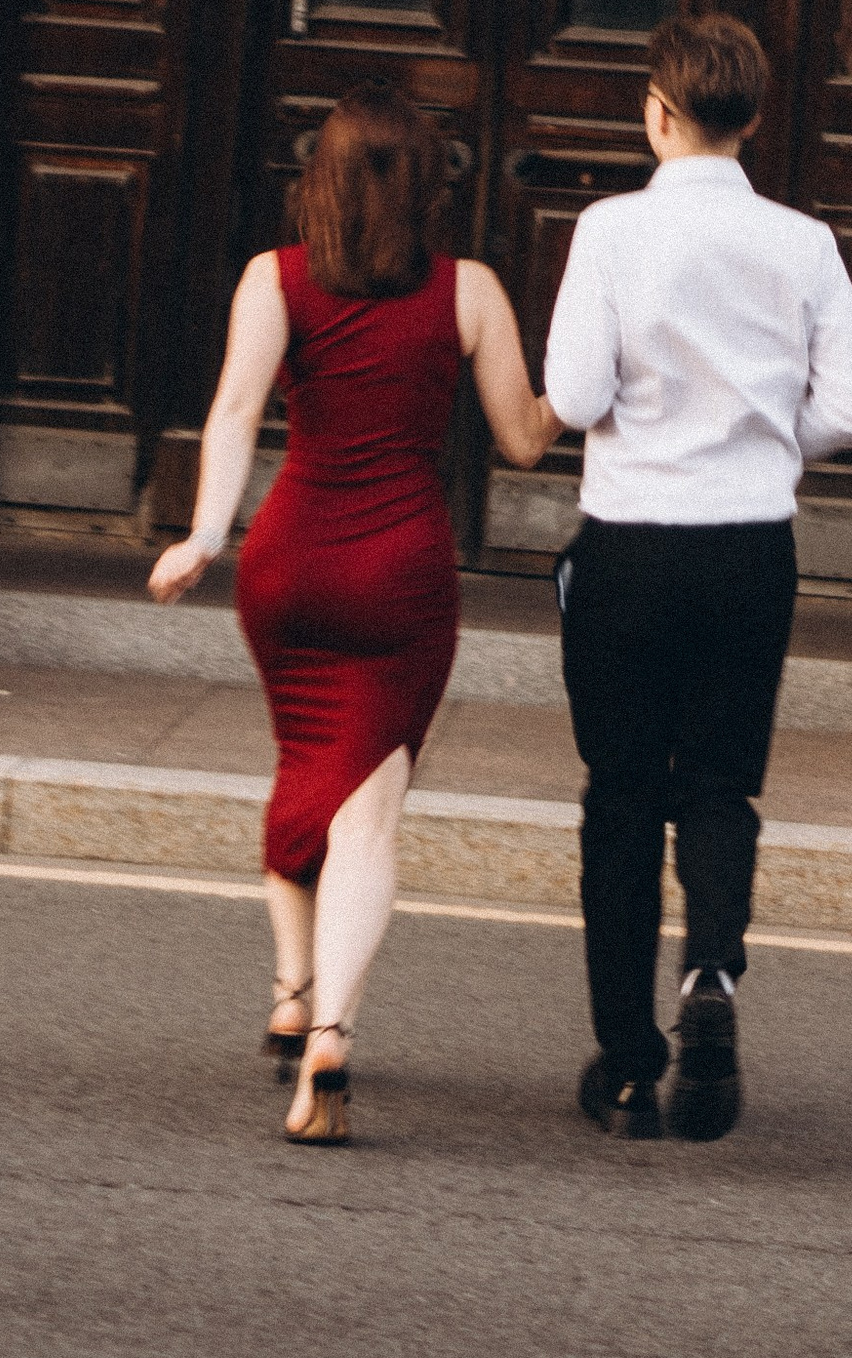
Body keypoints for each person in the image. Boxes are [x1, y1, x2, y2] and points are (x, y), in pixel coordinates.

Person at [148, 86, 556, 1143]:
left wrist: (203, 536)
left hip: (288, 565)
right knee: (365, 813)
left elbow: (234, 411)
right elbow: (523, 439)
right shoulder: (470, 292)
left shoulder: (273, 278)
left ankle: (291, 991)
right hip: (400, 573)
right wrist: (590, 383)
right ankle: (330, 1032)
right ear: (427, 186)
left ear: (318, 179)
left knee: (302, 772)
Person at [542, 12, 852, 1144]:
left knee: (621, 796)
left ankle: (628, 1067)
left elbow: (576, 394)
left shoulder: (609, 230)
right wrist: (768, 437)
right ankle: (712, 974)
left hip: (631, 542)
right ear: (753, 118)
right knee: (721, 784)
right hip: (748, 545)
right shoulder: (803, 242)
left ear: (657, 112)